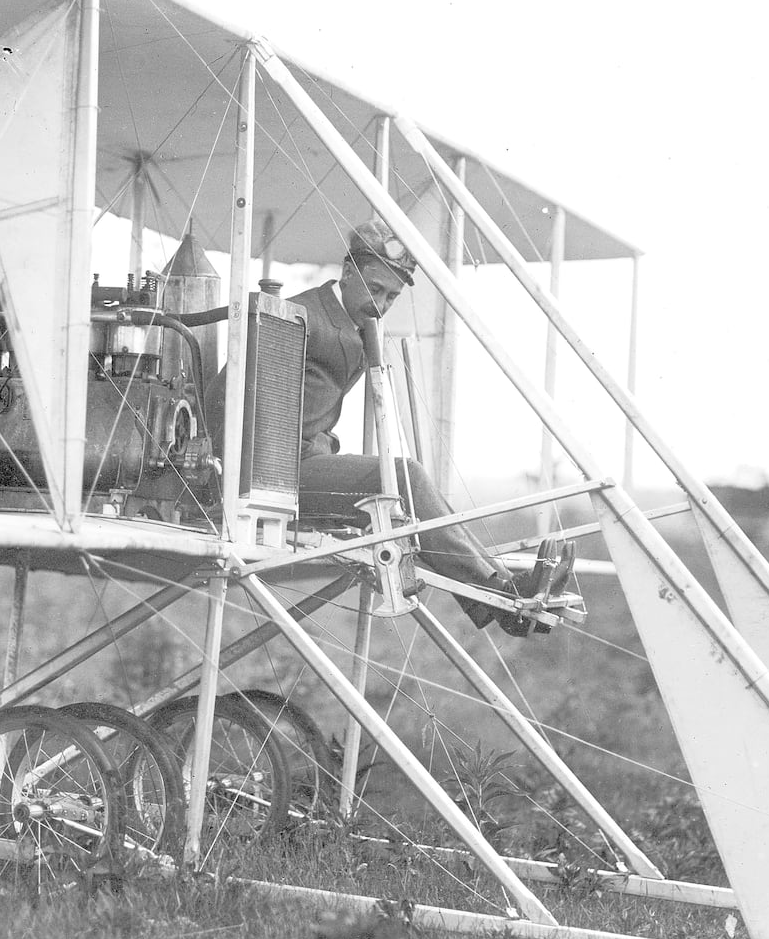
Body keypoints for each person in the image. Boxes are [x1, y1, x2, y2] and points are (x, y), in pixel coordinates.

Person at [208, 220, 576, 637]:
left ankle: (505, 586)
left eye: (391, 296)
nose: (380, 304)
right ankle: (498, 592)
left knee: (412, 486)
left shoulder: (356, 322)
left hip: (307, 461)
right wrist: (235, 462)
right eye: (375, 288)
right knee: (406, 476)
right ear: (348, 273)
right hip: (273, 474)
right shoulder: (300, 315)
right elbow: (226, 392)